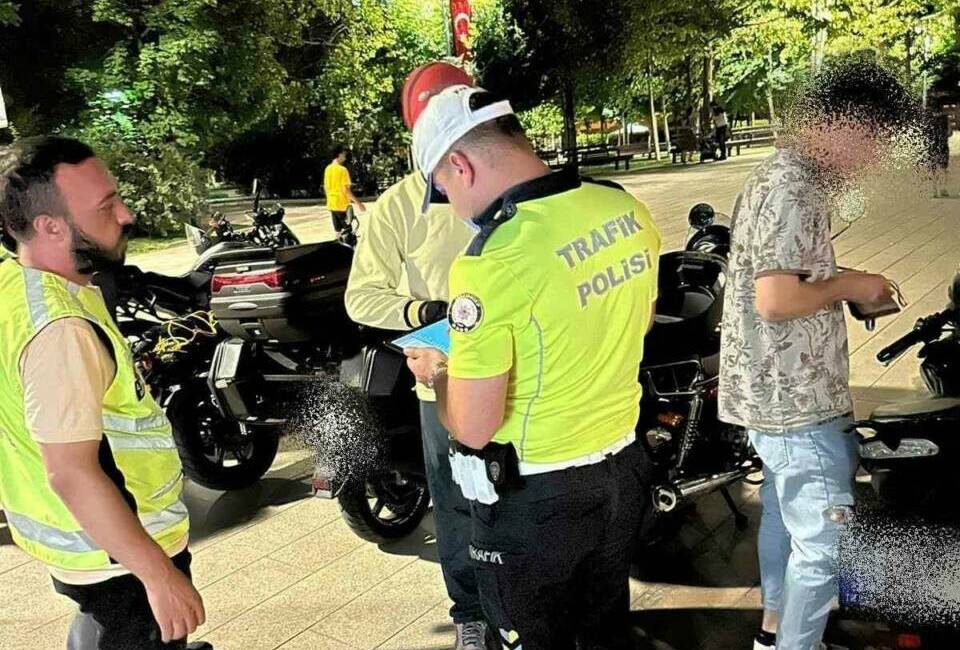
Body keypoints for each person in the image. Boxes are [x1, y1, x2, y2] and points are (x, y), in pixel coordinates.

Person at [404, 82, 661, 649]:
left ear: (460, 165)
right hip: (624, 471)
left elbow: (473, 426)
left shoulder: (493, 262)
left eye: (443, 189)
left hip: (537, 500)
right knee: (602, 629)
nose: (453, 206)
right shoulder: (622, 206)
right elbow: (635, 325)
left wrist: (439, 373)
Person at [717, 60, 918, 650]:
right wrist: (851, 287)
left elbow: (780, 273)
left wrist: (850, 279)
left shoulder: (776, 173)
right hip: (796, 401)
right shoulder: (796, 189)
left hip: (772, 391)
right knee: (825, 545)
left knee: (785, 516)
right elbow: (776, 299)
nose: (873, 157)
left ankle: (774, 631)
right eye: (873, 139)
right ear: (842, 124)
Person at [0, 136, 208, 650]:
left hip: (88, 551)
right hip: (118, 558)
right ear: (50, 227)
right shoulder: (60, 331)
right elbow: (70, 471)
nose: (127, 213)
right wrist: (157, 576)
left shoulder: (18, 283)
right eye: (106, 205)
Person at [344, 61, 491, 650]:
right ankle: (472, 614)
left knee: (524, 497)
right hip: (445, 382)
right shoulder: (398, 208)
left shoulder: (506, 189)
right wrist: (422, 313)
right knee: (456, 503)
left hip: (526, 376)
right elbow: (362, 295)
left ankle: (528, 604)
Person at [323, 146, 365, 240]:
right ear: (339, 155)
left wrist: (330, 199)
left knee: (337, 231)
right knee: (347, 232)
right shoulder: (342, 170)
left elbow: (326, 187)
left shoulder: (328, 169)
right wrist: (358, 203)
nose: (345, 155)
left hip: (332, 204)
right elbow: (346, 190)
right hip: (342, 205)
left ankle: (338, 249)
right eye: (343, 153)